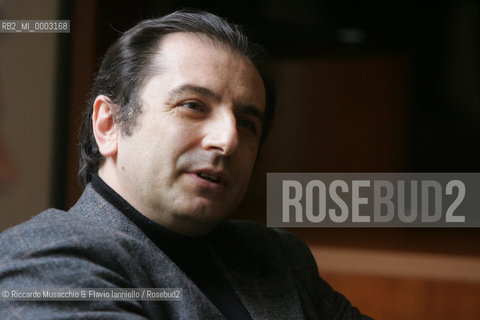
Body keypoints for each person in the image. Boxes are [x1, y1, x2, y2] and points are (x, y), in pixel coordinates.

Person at [0, 10, 372, 319]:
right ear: (109, 124)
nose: (228, 140)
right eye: (193, 106)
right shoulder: (44, 259)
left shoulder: (278, 257)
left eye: (247, 123)